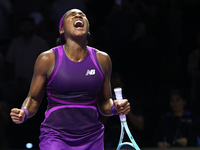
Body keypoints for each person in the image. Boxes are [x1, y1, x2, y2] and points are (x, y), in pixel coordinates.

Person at [10, 9, 130, 150]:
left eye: (82, 15)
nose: (78, 16)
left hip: (92, 137)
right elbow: (34, 99)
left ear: (88, 30)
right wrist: (24, 112)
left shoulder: (103, 59)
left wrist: (114, 107)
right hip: (55, 137)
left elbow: (104, 102)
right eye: (71, 15)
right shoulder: (47, 59)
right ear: (62, 30)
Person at [100, 72, 144, 149]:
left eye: (117, 84)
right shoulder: (101, 105)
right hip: (110, 144)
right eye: (112, 85)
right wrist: (111, 109)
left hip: (131, 144)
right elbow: (100, 125)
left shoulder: (133, 103)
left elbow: (140, 126)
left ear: (123, 85)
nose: (114, 87)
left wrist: (125, 108)